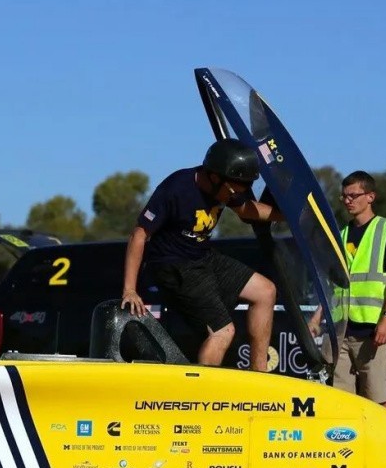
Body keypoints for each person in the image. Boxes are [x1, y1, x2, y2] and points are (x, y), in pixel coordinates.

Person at [121, 138, 283, 371]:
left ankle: (260, 375)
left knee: (266, 291)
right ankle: (204, 397)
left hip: (202, 256)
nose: (241, 193)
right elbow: (139, 235)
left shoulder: (226, 186)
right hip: (173, 265)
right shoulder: (176, 188)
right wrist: (130, 289)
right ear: (215, 178)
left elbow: (248, 212)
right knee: (223, 332)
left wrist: (289, 218)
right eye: (237, 187)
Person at [309, 170, 386, 408]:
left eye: (353, 195)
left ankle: (384, 445)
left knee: (377, 401)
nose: (348, 201)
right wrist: (317, 317)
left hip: (371, 333)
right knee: (342, 404)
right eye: (344, 196)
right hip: (340, 332)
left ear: (370, 196)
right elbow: (334, 285)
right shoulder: (341, 235)